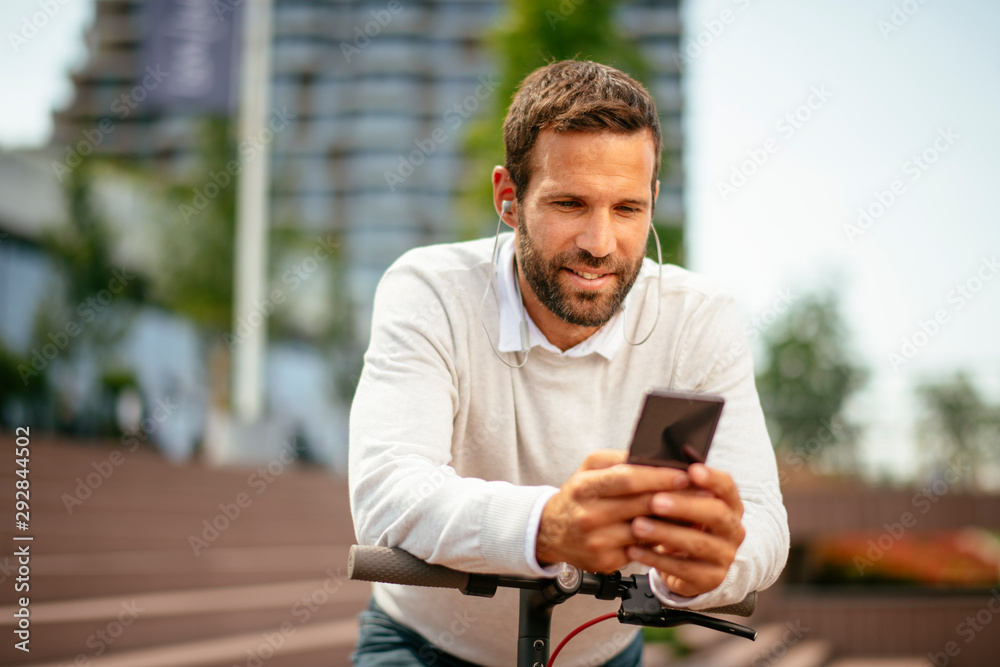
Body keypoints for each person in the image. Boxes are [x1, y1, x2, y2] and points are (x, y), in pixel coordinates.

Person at [349, 59, 789, 667]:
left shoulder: (700, 317)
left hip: (602, 655)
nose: (600, 243)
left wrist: (707, 567)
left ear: (654, 202)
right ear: (509, 198)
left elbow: (763, 517)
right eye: (570, 203)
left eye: (628, 209)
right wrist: (547, 525)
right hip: (424, 646)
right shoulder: (430, 288)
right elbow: (387, 491)